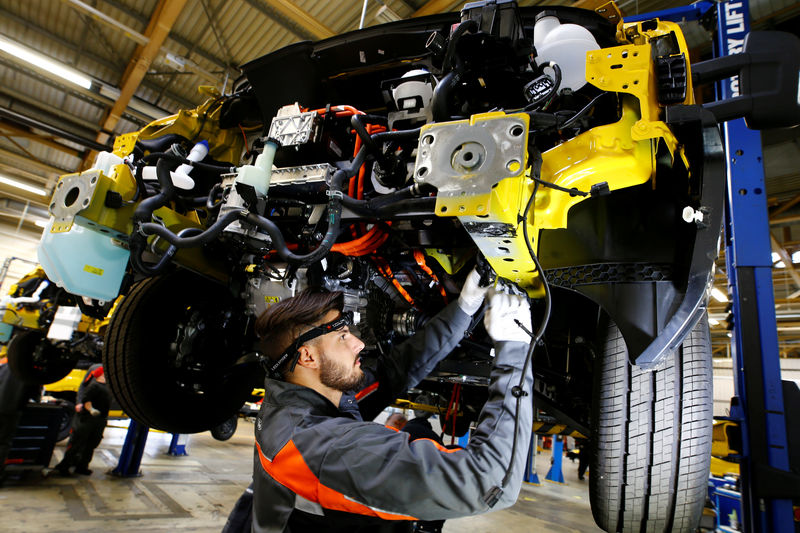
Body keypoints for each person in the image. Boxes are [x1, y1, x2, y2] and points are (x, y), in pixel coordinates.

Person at [234, 266, 533, 532]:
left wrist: (464, 308)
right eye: (342, 336)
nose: (359, 344)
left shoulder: (302, 398)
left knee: (418, 432)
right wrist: (515, 349)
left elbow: (395, 371)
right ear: (308, 356)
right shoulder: (318, 448)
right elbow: (490, 482)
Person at [48, 365, 111, 476]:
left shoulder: (113, 378)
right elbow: (84, 388)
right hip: (87, 417)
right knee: (77, 441)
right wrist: (80, 403)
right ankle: (64, 466)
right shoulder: (96, 373)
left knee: (92, 443)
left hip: (100, 418)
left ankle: (82, 466)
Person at [0, 355, 41, 485]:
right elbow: (35, 395)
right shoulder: (28, 373)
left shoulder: (5, 366)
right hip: (11, 410)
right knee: (3, 443)